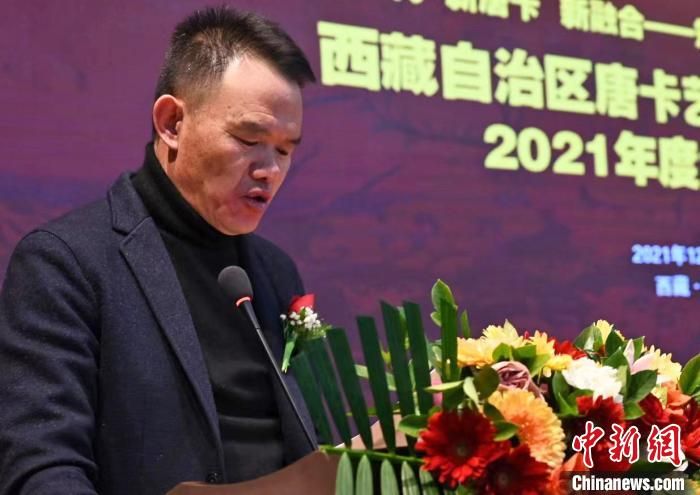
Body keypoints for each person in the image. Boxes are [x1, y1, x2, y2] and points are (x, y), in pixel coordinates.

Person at [0, 6, 317, 495]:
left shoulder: (276, 273)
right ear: (172, 122)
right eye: (249, 138)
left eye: (285, 149)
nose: (270, 170)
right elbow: (42, 468)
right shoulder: (66, 263)